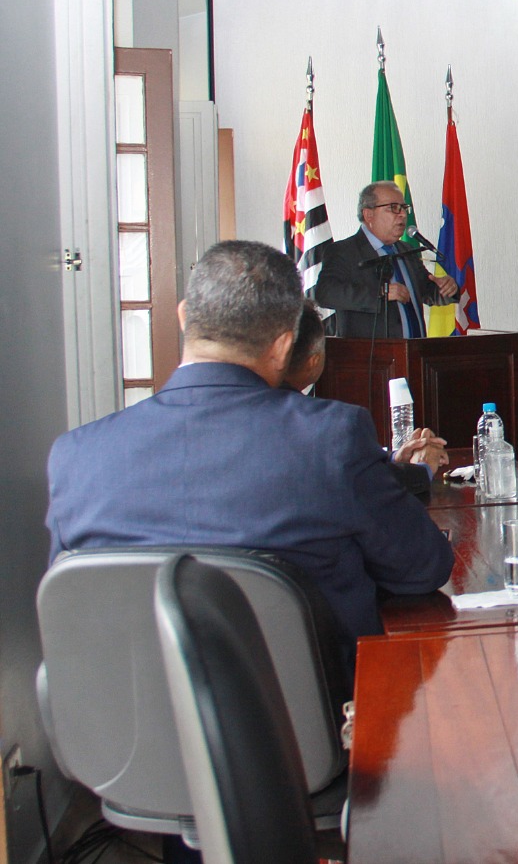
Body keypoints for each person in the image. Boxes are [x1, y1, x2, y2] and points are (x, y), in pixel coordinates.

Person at [47, 240, 455, 651]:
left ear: (184, 317)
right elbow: (423, 567)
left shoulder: (75, 455)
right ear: (283, 347)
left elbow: (70, 617)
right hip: (316, 692)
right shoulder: (329, 438)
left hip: (132, 692)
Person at [282, 298, 448, 502]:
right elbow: (374, 487)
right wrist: (424, 467)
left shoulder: (251, 410)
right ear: (313, 361)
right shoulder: (331, 421)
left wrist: (393, 458)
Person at [312, 181, 458, 338]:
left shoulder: (406, 250)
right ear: (369, 214)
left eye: (404, 207)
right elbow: (325, 293)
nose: (403, 214)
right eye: (394, 207)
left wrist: (447, 289)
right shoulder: (344, 251)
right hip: (369, 351)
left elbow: (427, 291)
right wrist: (382, 293)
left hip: (415, 349)